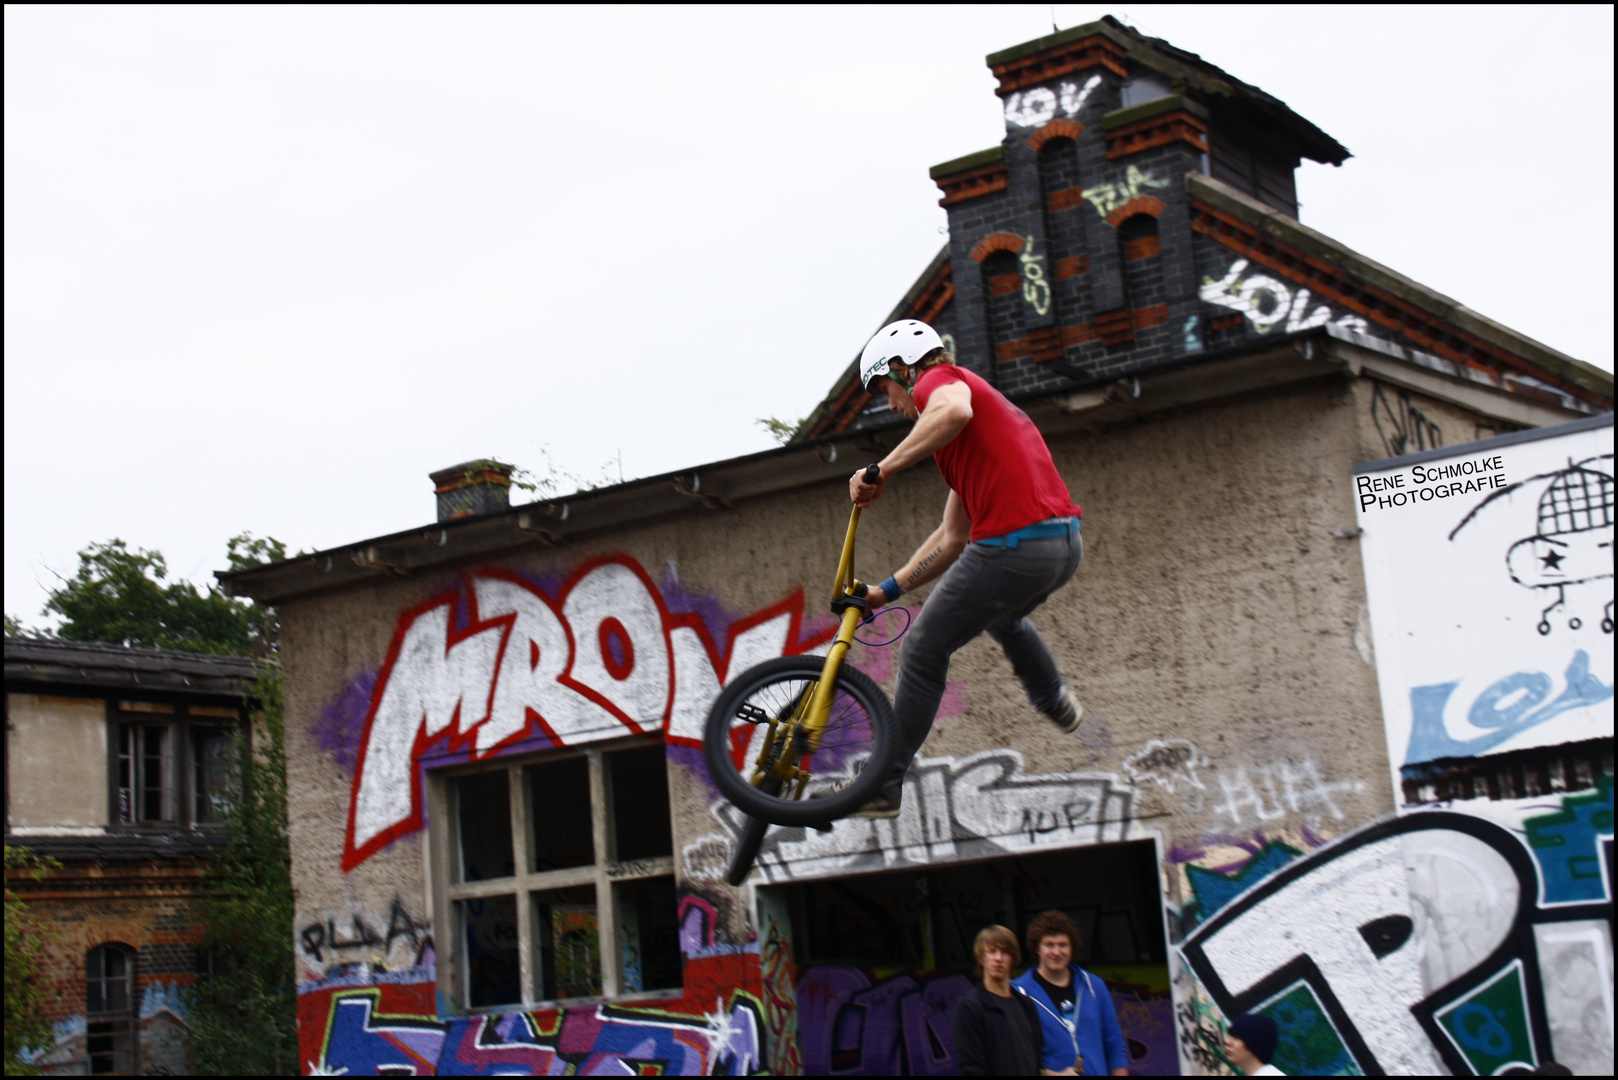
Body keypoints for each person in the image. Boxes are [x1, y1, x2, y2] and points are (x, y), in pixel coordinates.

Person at [848, 319, 1085, 816]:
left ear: (902, 367)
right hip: (1060, 549)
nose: (892, 405)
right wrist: (885, 592)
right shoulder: (970, 439)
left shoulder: (941, 382)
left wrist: (881, 469)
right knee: (1003, 615)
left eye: (886, 389)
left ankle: (884, 783)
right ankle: (1052, 699)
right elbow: (952, 538)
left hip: (1015, 548)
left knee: (923, 650)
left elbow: (950, 409)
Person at [1013, 910, 1130, 1076]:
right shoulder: (1019, 993)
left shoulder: (1094, 986)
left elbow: (1114, 1043)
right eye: (1049, 945)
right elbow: (1015, 1055)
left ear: (1072, 948)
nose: (1056, 952)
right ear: (1037, 948)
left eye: (1063, 945)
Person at [952, 925, 1045, 1076]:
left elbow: (1036, 1058)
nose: (998, 958)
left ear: (1013, 958)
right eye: (992, 951)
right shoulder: (970, 1008)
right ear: (981, 957)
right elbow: (972, 1068)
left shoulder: (1026, 1005)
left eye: (1005, 952)